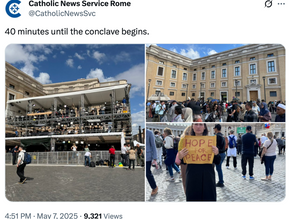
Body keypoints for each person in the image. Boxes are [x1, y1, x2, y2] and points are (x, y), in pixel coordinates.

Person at [177, 123, 221, 201]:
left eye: (200, 124)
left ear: (204, 127)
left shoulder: (210, 141)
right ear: (192, 127)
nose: (198, 127)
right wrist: (180, 156)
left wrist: (217, 153)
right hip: (192, 177)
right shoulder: (187, 141)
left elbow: (217, 162)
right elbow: (184, 162)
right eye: (196, 124)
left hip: (208, 177)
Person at [146, 129, 158, 196]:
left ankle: (154, 187)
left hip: (148, 156)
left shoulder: (150, 133)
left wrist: (155, 158)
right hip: (145, 155)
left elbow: (153, 145)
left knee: (147, 173)